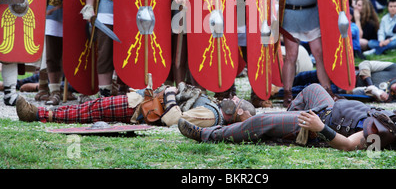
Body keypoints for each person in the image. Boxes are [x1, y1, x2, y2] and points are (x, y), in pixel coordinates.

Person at [178, 83, 396, 152]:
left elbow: (348, 146)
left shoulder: (382, 137)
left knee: (262, 122)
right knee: (311, 88)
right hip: (329, 107)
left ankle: (207, 135)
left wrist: (320, 127)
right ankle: (281, 125)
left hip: (319, 123)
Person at [15, 81, 256, 128]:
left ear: (241, 112)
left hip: (140, 110)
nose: (232, 98)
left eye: (236, 101)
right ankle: (41, 113)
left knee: (87, 111)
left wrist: (171, 93)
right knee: (88, 108)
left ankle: (38, 115)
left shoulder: (212, 115)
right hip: (145, 101)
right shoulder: (214, 106)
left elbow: (174, 121)